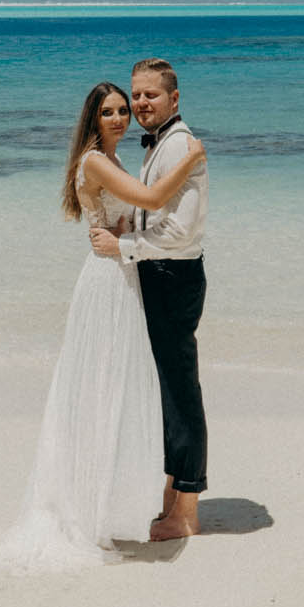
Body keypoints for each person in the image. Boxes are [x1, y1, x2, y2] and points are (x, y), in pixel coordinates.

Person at [0, 81, 207, 571]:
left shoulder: (110, 162)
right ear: (92, 119)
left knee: (116, 390)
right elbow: (152, 199)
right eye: (107, 112)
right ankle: (80, 508)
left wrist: (126, 232)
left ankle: (101, 500)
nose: (118, 119)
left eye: (121, 111)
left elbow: (134, 215)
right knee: (98, 390)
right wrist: (190, 163)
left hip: (122, 278)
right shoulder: (95, 161)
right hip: (108, 282)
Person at [89, 56, 208, 541]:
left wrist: (125, 246)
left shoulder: (181, 144)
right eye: (135, 96)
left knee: (180, 392)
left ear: (173, 99)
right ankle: (172, 498)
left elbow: (180, 231)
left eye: (149, 95)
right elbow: (149, 206)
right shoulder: (163, 144)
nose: (139, 104)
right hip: (157, 273)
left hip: (173, 274)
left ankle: (187, 509)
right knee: (168, 390)